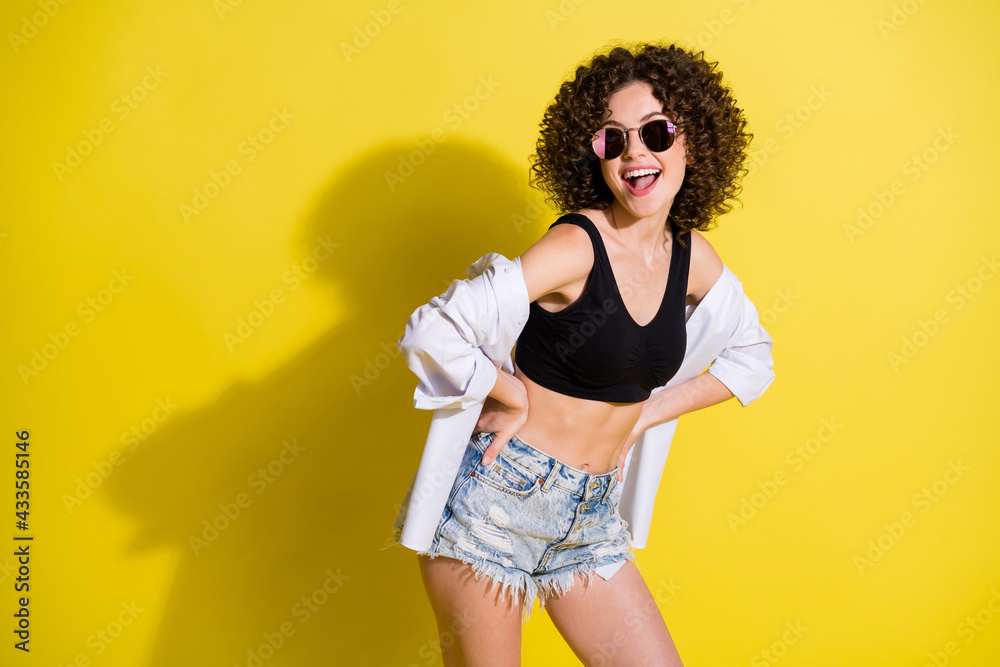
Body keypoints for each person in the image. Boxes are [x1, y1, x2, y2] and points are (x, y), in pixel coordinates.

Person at [384, 42, 776, 666]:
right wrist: (509, 393)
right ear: (592, 155)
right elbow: (433, 331)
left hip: (591, 518)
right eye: (612, 140)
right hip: (494, 505)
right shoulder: (576, 245)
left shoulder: (691, 258)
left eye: (655, 132)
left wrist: (646, 414)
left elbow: (752, 356)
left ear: (693, 143)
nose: (635, 153)